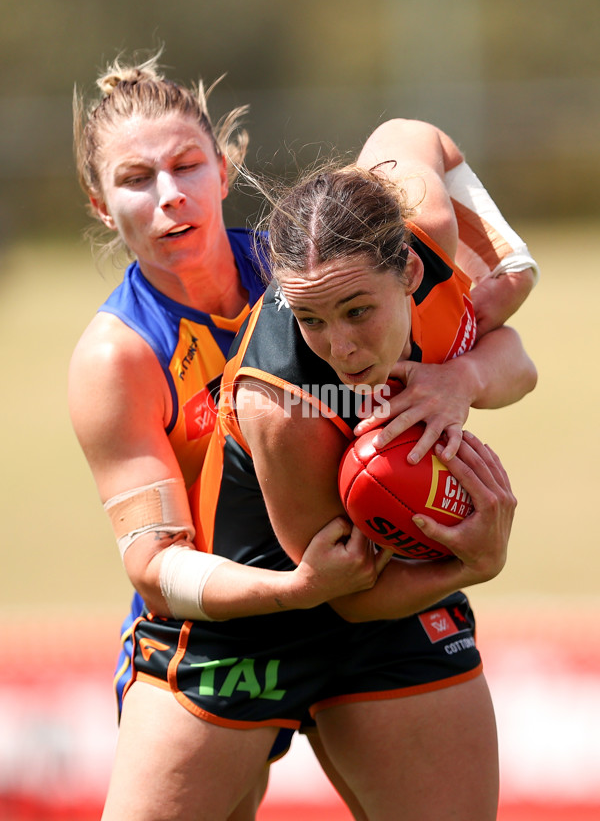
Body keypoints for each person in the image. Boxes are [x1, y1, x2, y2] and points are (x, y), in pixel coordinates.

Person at [99, 117, 538, 821]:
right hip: (250, 621)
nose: (342, 346)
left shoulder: (421, 224)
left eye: (359, 311)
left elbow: (414, 132)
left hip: (395, 601)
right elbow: (342, 591)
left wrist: (474, 352)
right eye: (312, 320)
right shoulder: (277, 400)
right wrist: (471, 566)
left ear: (413, 273)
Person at [69, 53, 388, 821]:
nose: (170, 195)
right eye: (136, 179)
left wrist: (461, 380)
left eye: (186, 166)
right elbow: (152, 565)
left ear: (223, 167)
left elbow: (494, 342)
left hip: (368, 605)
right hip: (218, 635)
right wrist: (294, 589)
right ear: (102, 206)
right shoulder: (118, 356)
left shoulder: (303, 265)